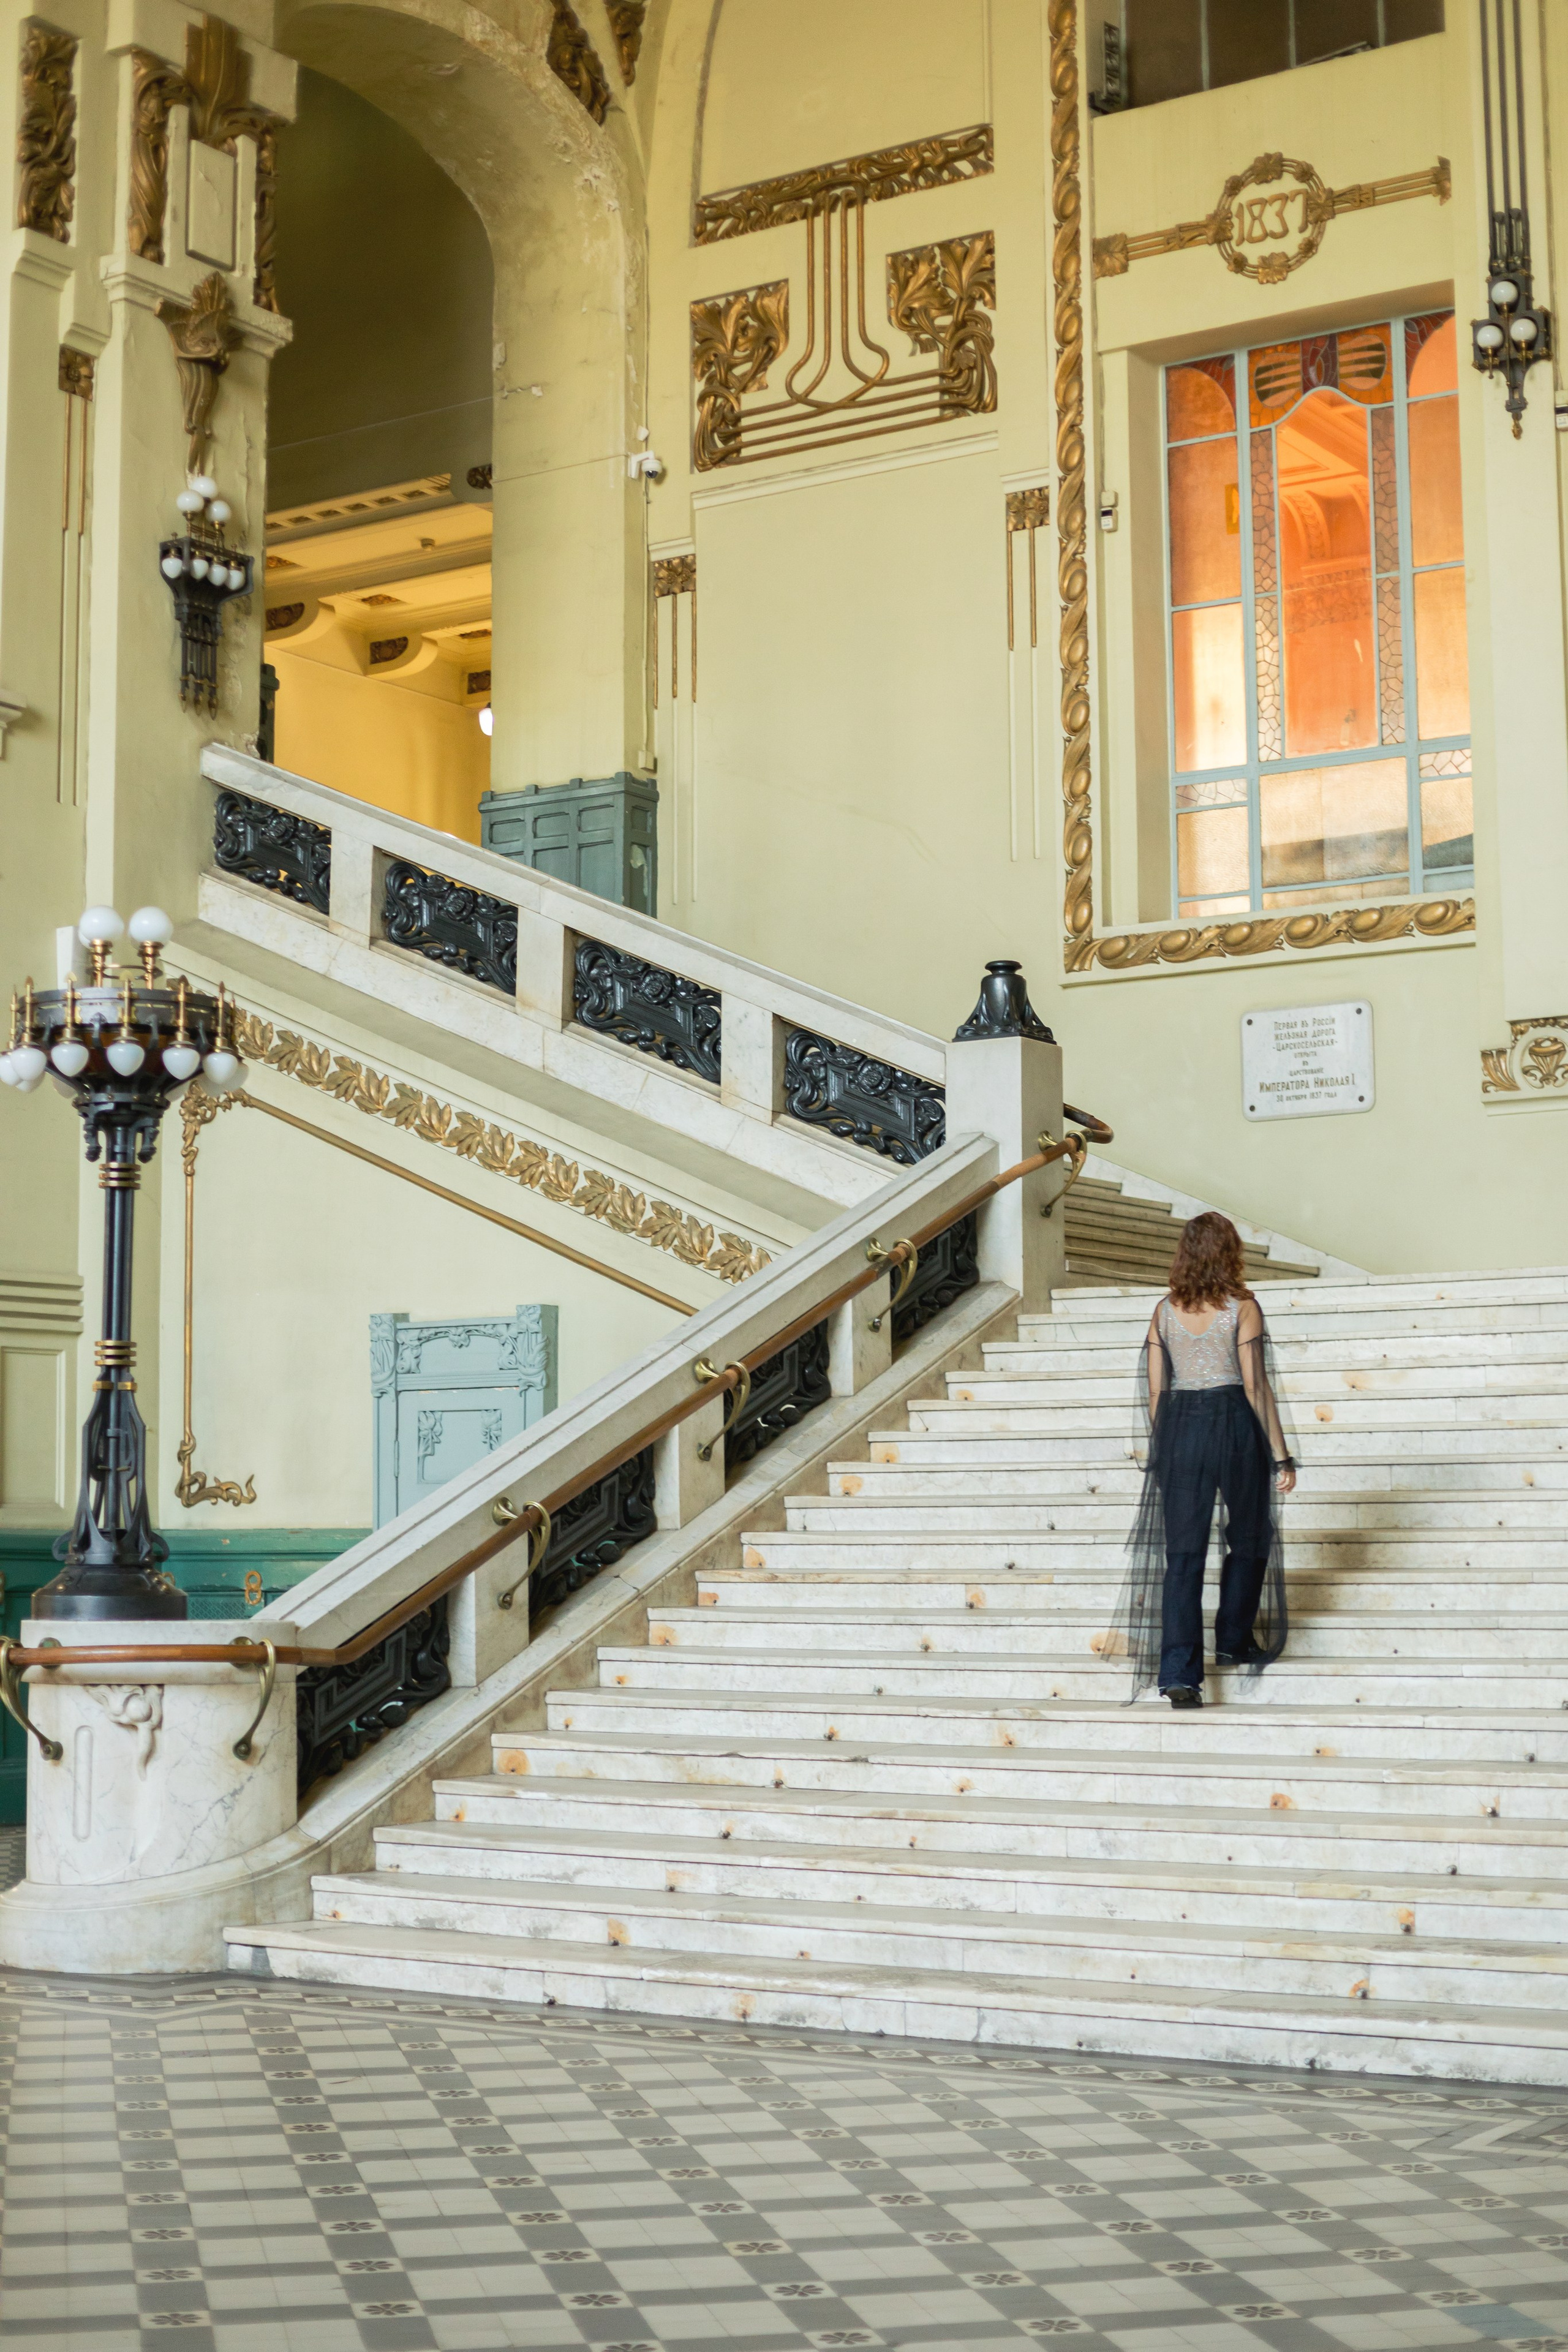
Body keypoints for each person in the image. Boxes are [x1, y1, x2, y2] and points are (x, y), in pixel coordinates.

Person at [1106, 1211, 1296, 1708]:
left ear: (1185, 1254)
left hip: (1181, 1429)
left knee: (1183, 1555)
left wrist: (1166, 1444)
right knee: (1252, 1535)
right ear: (1229, 1251)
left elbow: (1155, 1390)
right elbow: (1255, 1386)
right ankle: (1233, 1639)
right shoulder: (1244, 1307)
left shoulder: (1164, 1311)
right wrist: (1282, 1456)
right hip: (1234, 1422)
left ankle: (1179, 1675)